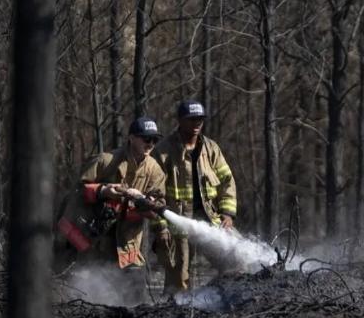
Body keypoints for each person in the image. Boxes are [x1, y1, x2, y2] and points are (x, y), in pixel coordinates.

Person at [56, 116, 166, 303]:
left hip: (129, 248)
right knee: (92, 301)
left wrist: (148, 204)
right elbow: (76, 192)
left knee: (134, 303)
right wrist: (102, 191)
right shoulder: (105, 161)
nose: (151, 144)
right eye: (146, 139)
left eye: (154, 140)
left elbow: (159, 205)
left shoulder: (154, 170)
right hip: (95, 246)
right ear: (131, 138)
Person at [152, 100, 238, 294]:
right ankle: (175, 309)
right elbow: (155, 196)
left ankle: (225, 301)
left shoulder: (211, 149)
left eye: (200, 119)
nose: (197, 123)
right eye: (192, 119)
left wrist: (227, 214)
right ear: (180, 121)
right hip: (177, 225)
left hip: (210, 218)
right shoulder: (164, 152)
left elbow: (227, 181)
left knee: (233, 261)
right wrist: (161, 228)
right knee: (179, 279)